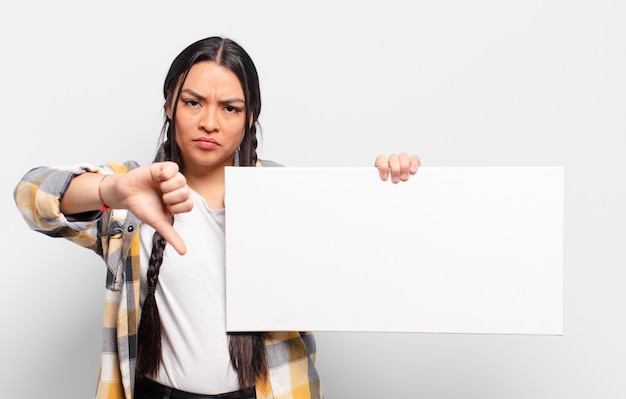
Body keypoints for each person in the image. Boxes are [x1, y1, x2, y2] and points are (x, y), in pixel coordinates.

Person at [13, 36, 420, 399]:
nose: (209, 122)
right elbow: (31, 194)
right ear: (170, 103)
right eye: (193, 102)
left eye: (230, 108)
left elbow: (373, 261)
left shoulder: (286, 195)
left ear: (250, 116)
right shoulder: (136, 195)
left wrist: (390, 188)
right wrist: (110, 189)